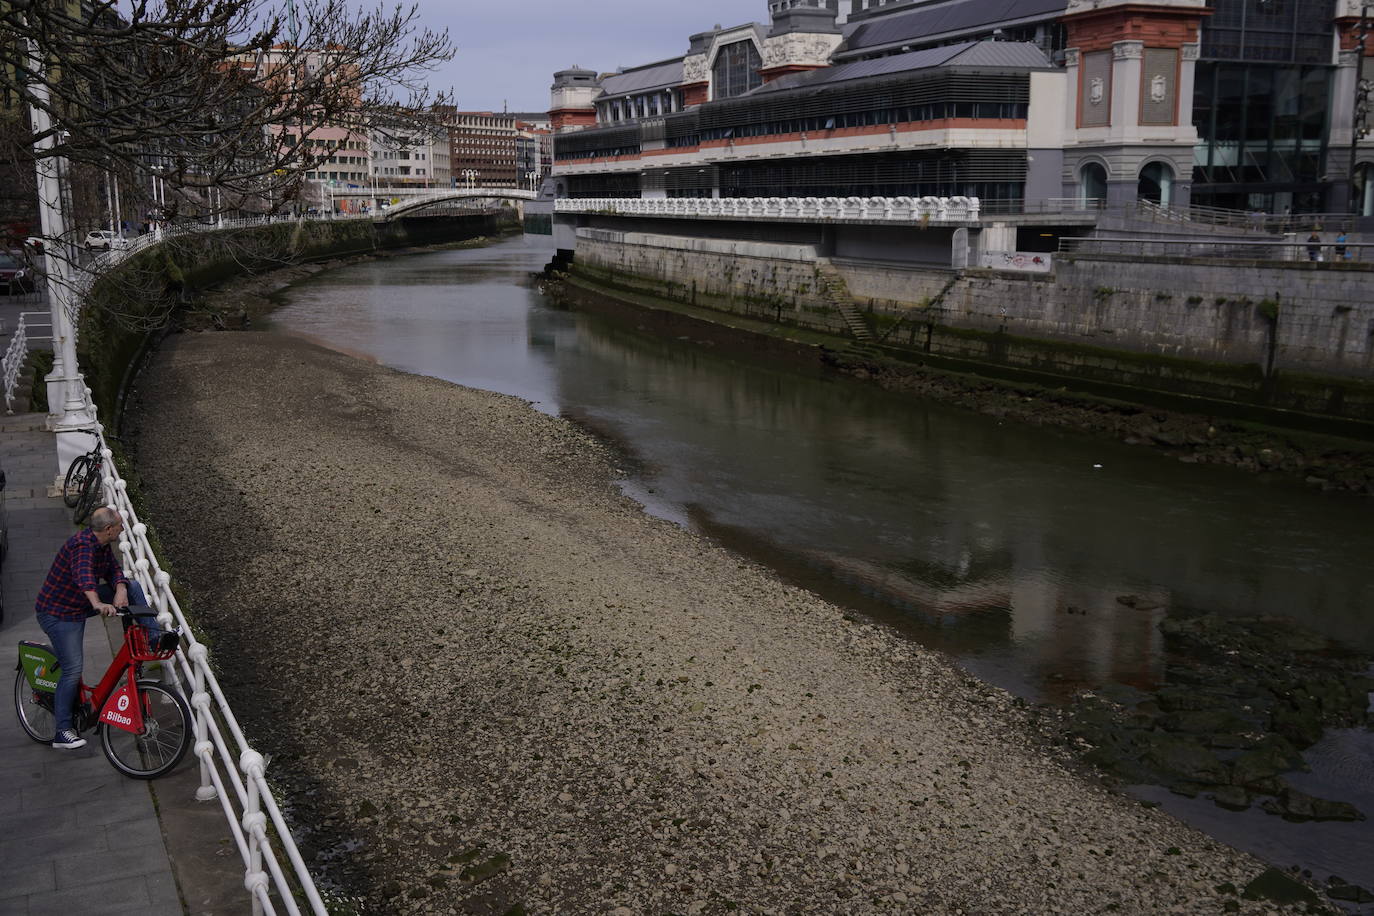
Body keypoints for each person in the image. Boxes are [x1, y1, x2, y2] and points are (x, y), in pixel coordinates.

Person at [34, 506, 149, 749]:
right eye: (119, 525)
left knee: (134, 587)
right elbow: (83, 576)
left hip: (79, 604)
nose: (122, 528)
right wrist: (97, 603)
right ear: (109, 529)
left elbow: (114, 570)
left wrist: (119, 589)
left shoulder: (102, 544)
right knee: (73, 669)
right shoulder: (83, 548)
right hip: (58, 613)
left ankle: (155, 637)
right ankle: (62, 731)